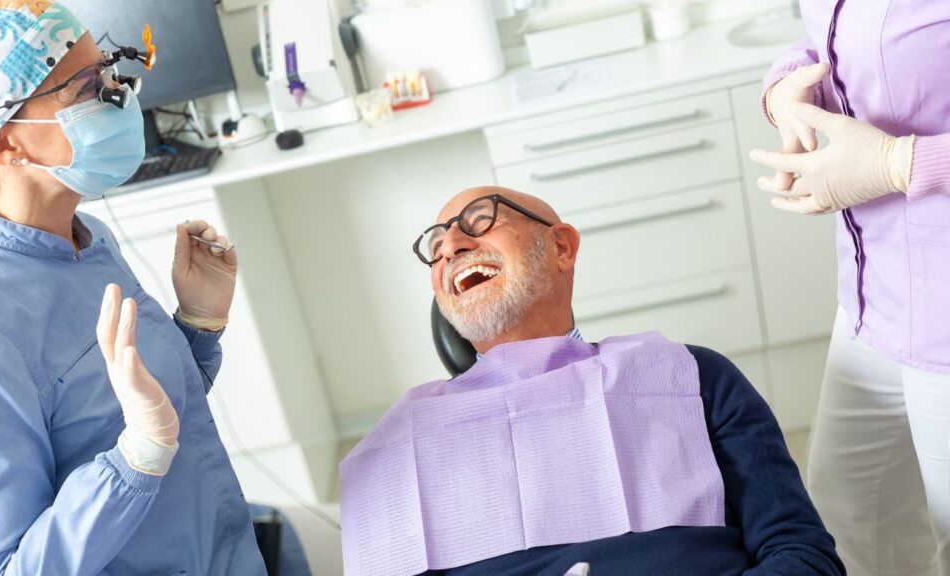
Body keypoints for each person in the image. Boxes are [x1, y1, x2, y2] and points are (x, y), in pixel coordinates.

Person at [338, 186, 845, 576]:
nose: (450, 245)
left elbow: (802, 552)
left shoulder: (690, 376)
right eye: (436, 244)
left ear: (561, 247)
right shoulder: (396, 447)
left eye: (480, 220)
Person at [0, 1, 267, 574]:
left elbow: (133, 414)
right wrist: (137, 457)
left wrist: (197, 328)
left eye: (107, 69)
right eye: (84, 87)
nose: (117, 94)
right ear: (5, 144)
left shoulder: (85, 237)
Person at [748, 4, 950, 574]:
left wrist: (900, 162)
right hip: (872, 303)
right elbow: (843, 42)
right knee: (847, 516)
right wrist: (786, 87)